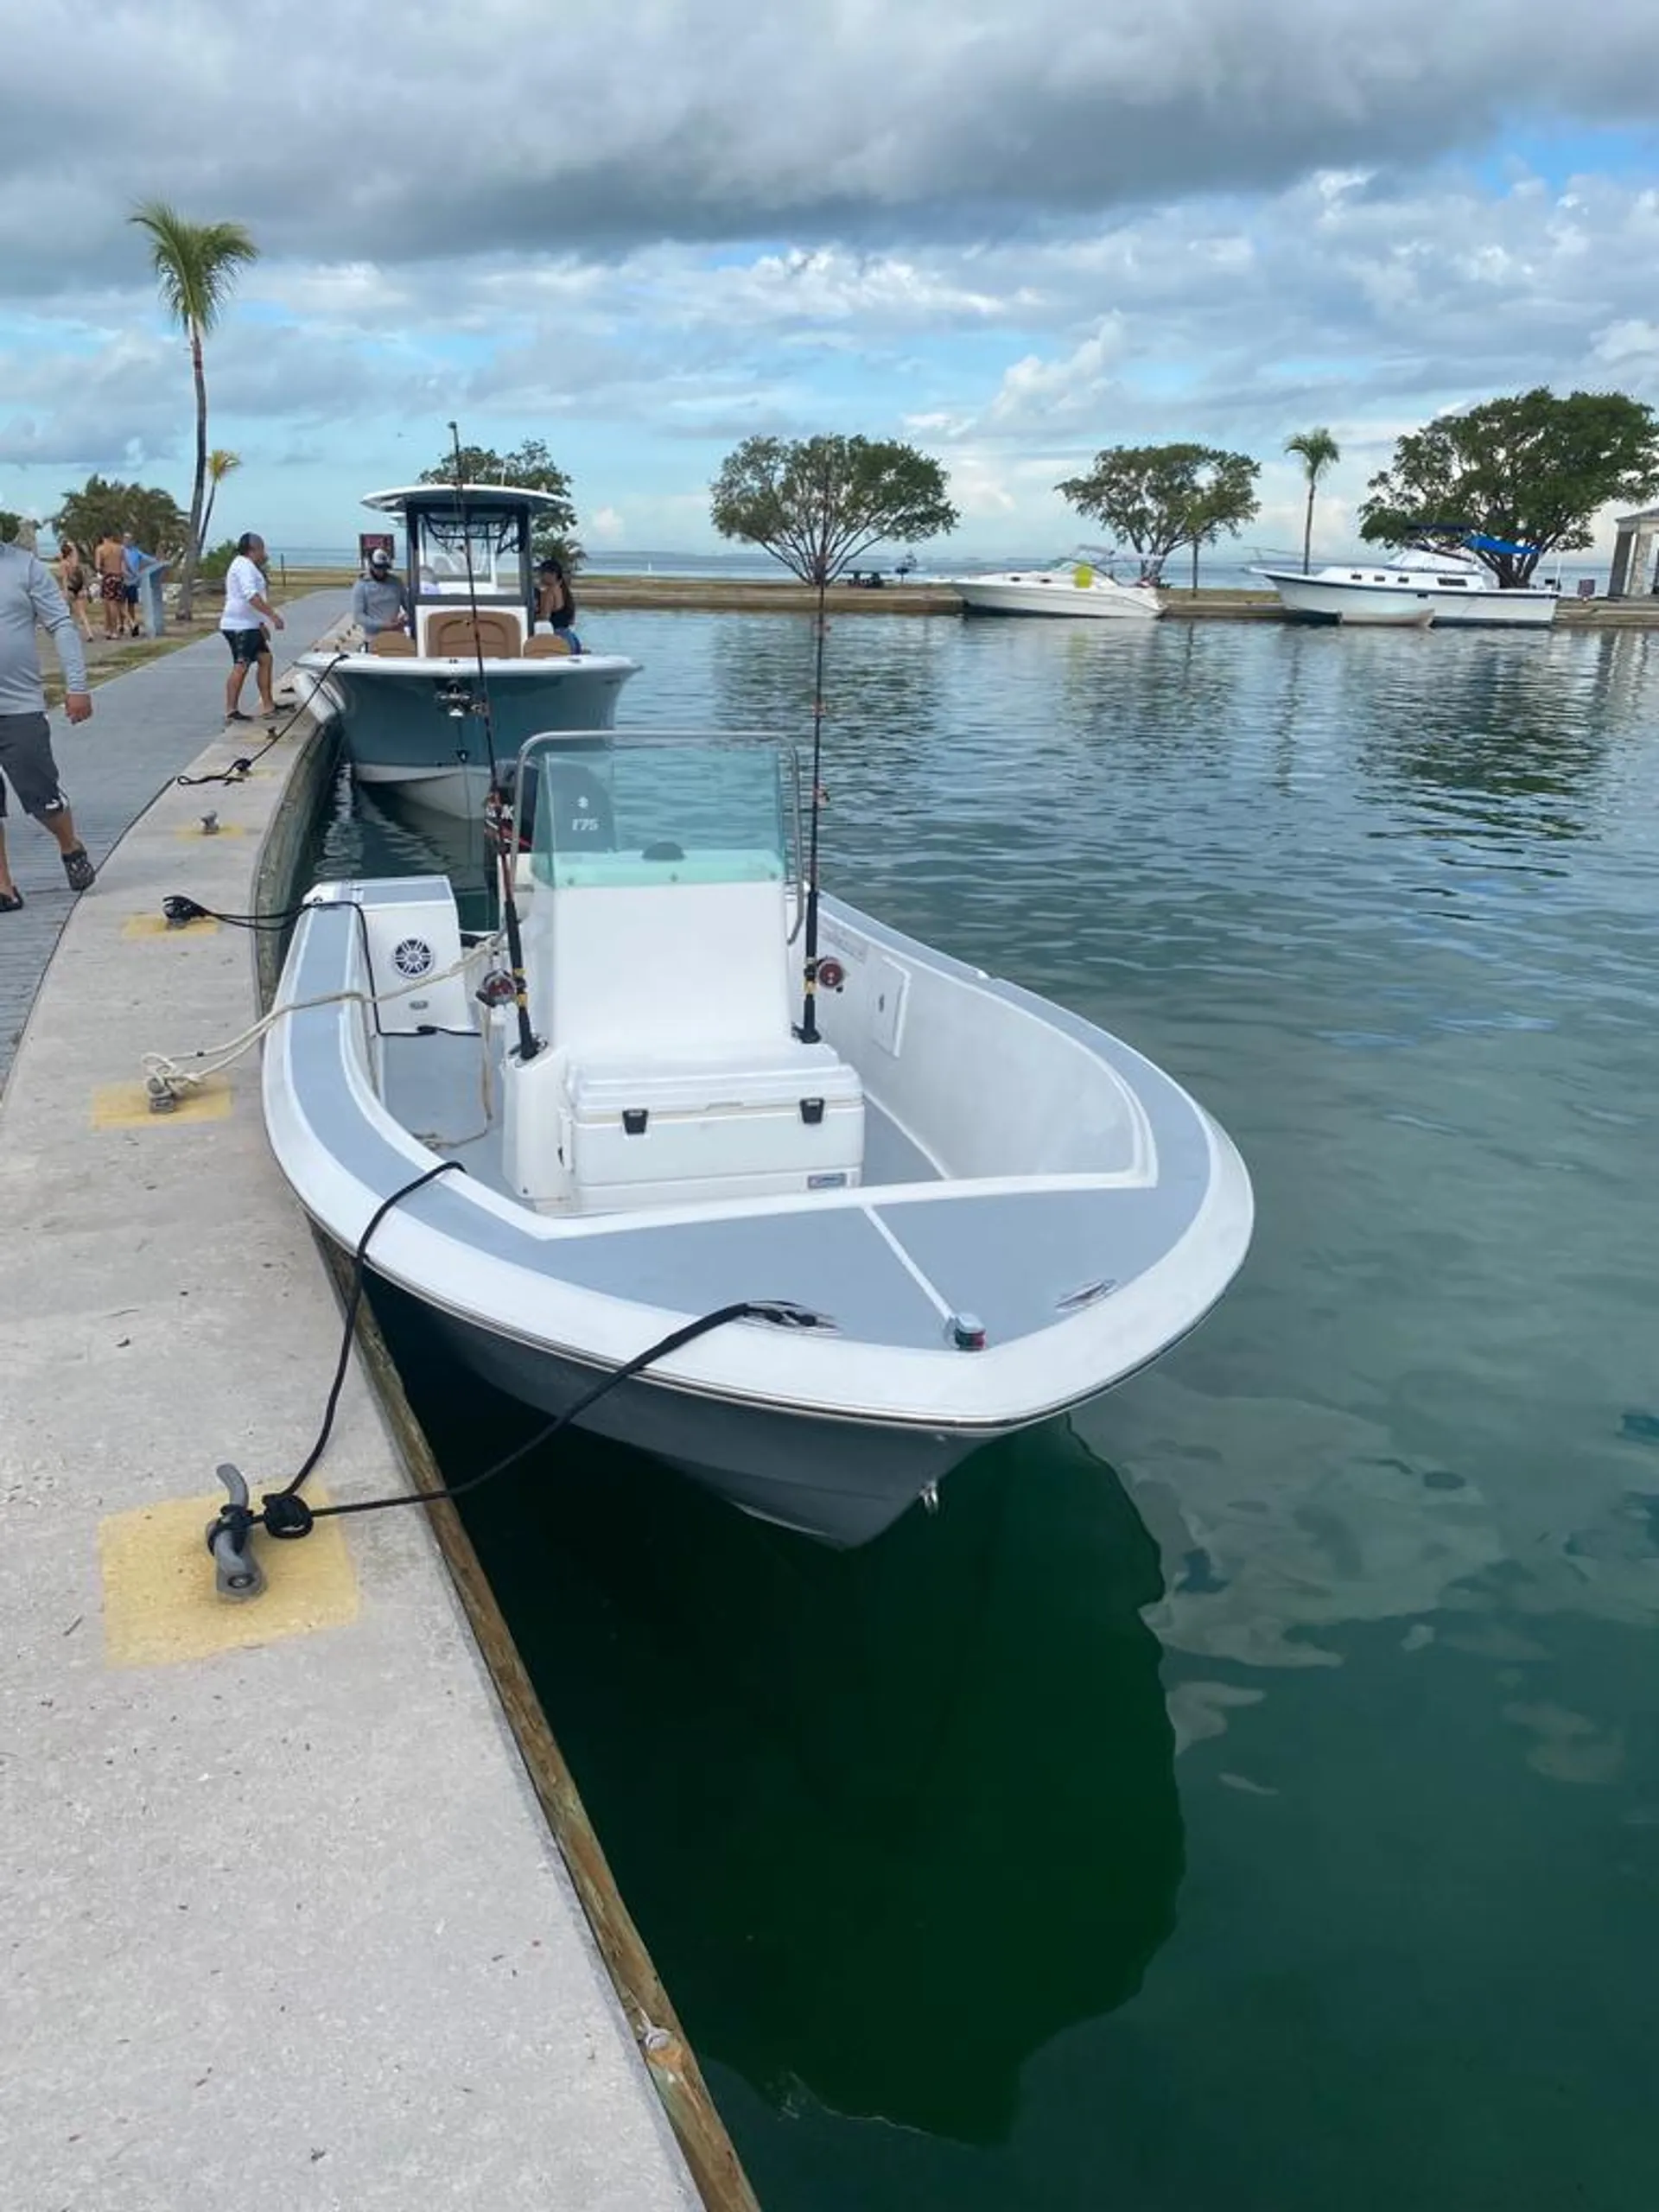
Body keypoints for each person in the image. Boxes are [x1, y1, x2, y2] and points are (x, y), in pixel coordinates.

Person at [0, 538, 97, 910]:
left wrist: (77, 687)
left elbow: (61, 624)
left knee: (43, 799)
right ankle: (4, 887)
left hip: (19, 707)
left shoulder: (24, 567)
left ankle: (69, 846)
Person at [219, 531, 284, 722]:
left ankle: (268, 705)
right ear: (253, 549)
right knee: (242, 665)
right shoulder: (243, 566)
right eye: (262, 548)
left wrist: (260, 624)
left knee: (265, 659)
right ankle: (231, 710)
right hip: (239, 626)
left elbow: (253, 599)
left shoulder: (248, 566)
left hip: (250, 624)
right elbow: (251, 596)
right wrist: (272, 615)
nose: (265, 553)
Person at [350, 544, 410, 645]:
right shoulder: (361, 585)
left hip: (397, 636)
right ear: (370, 564)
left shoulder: (396, 582)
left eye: (384, 568)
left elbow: (409, 606)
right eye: (378, 567)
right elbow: (359, 617)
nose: (381, 571)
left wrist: (405, 619)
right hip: (373, 639)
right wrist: (384, 625)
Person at [534, 556, 582, 652]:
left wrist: (532, 615)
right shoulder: (563, 590)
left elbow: (545, 616)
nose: (540, 576)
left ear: (553, 574)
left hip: (558, 637)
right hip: (570, 636)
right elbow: (571, 620)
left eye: (542, 573)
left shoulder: (550, 592)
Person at [55, 538, 95, 643]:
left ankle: (72, 634)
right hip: (80, 587)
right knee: (82, 613)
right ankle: (89, 633)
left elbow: (64, 579)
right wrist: (86, 589)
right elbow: (83, 577)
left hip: (71, 589)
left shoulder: (63, 564)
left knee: (69, 614)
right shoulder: (75, 563)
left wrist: (65, 592)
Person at [120, 530, 155, 638]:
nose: (127, 541)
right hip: (122, 580)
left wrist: (157, 560)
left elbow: (147, 559)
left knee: (131, 604)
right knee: (121, 603)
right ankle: (121, 625)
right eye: (125, 538)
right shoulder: (121, 551)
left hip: (133, 582)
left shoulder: (136, 551)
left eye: (129, 539)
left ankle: (132, 626)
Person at [94, 528, 124, 640]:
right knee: (116, 603)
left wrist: (102, 569)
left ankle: (112, 630)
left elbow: (97, 566)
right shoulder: (120, 548)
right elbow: (123, 564)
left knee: (109, 604)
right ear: (112, 537)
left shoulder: (101, 549)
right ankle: (110, 629)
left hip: (108, 576)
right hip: (119, 576)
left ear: (103, 538)